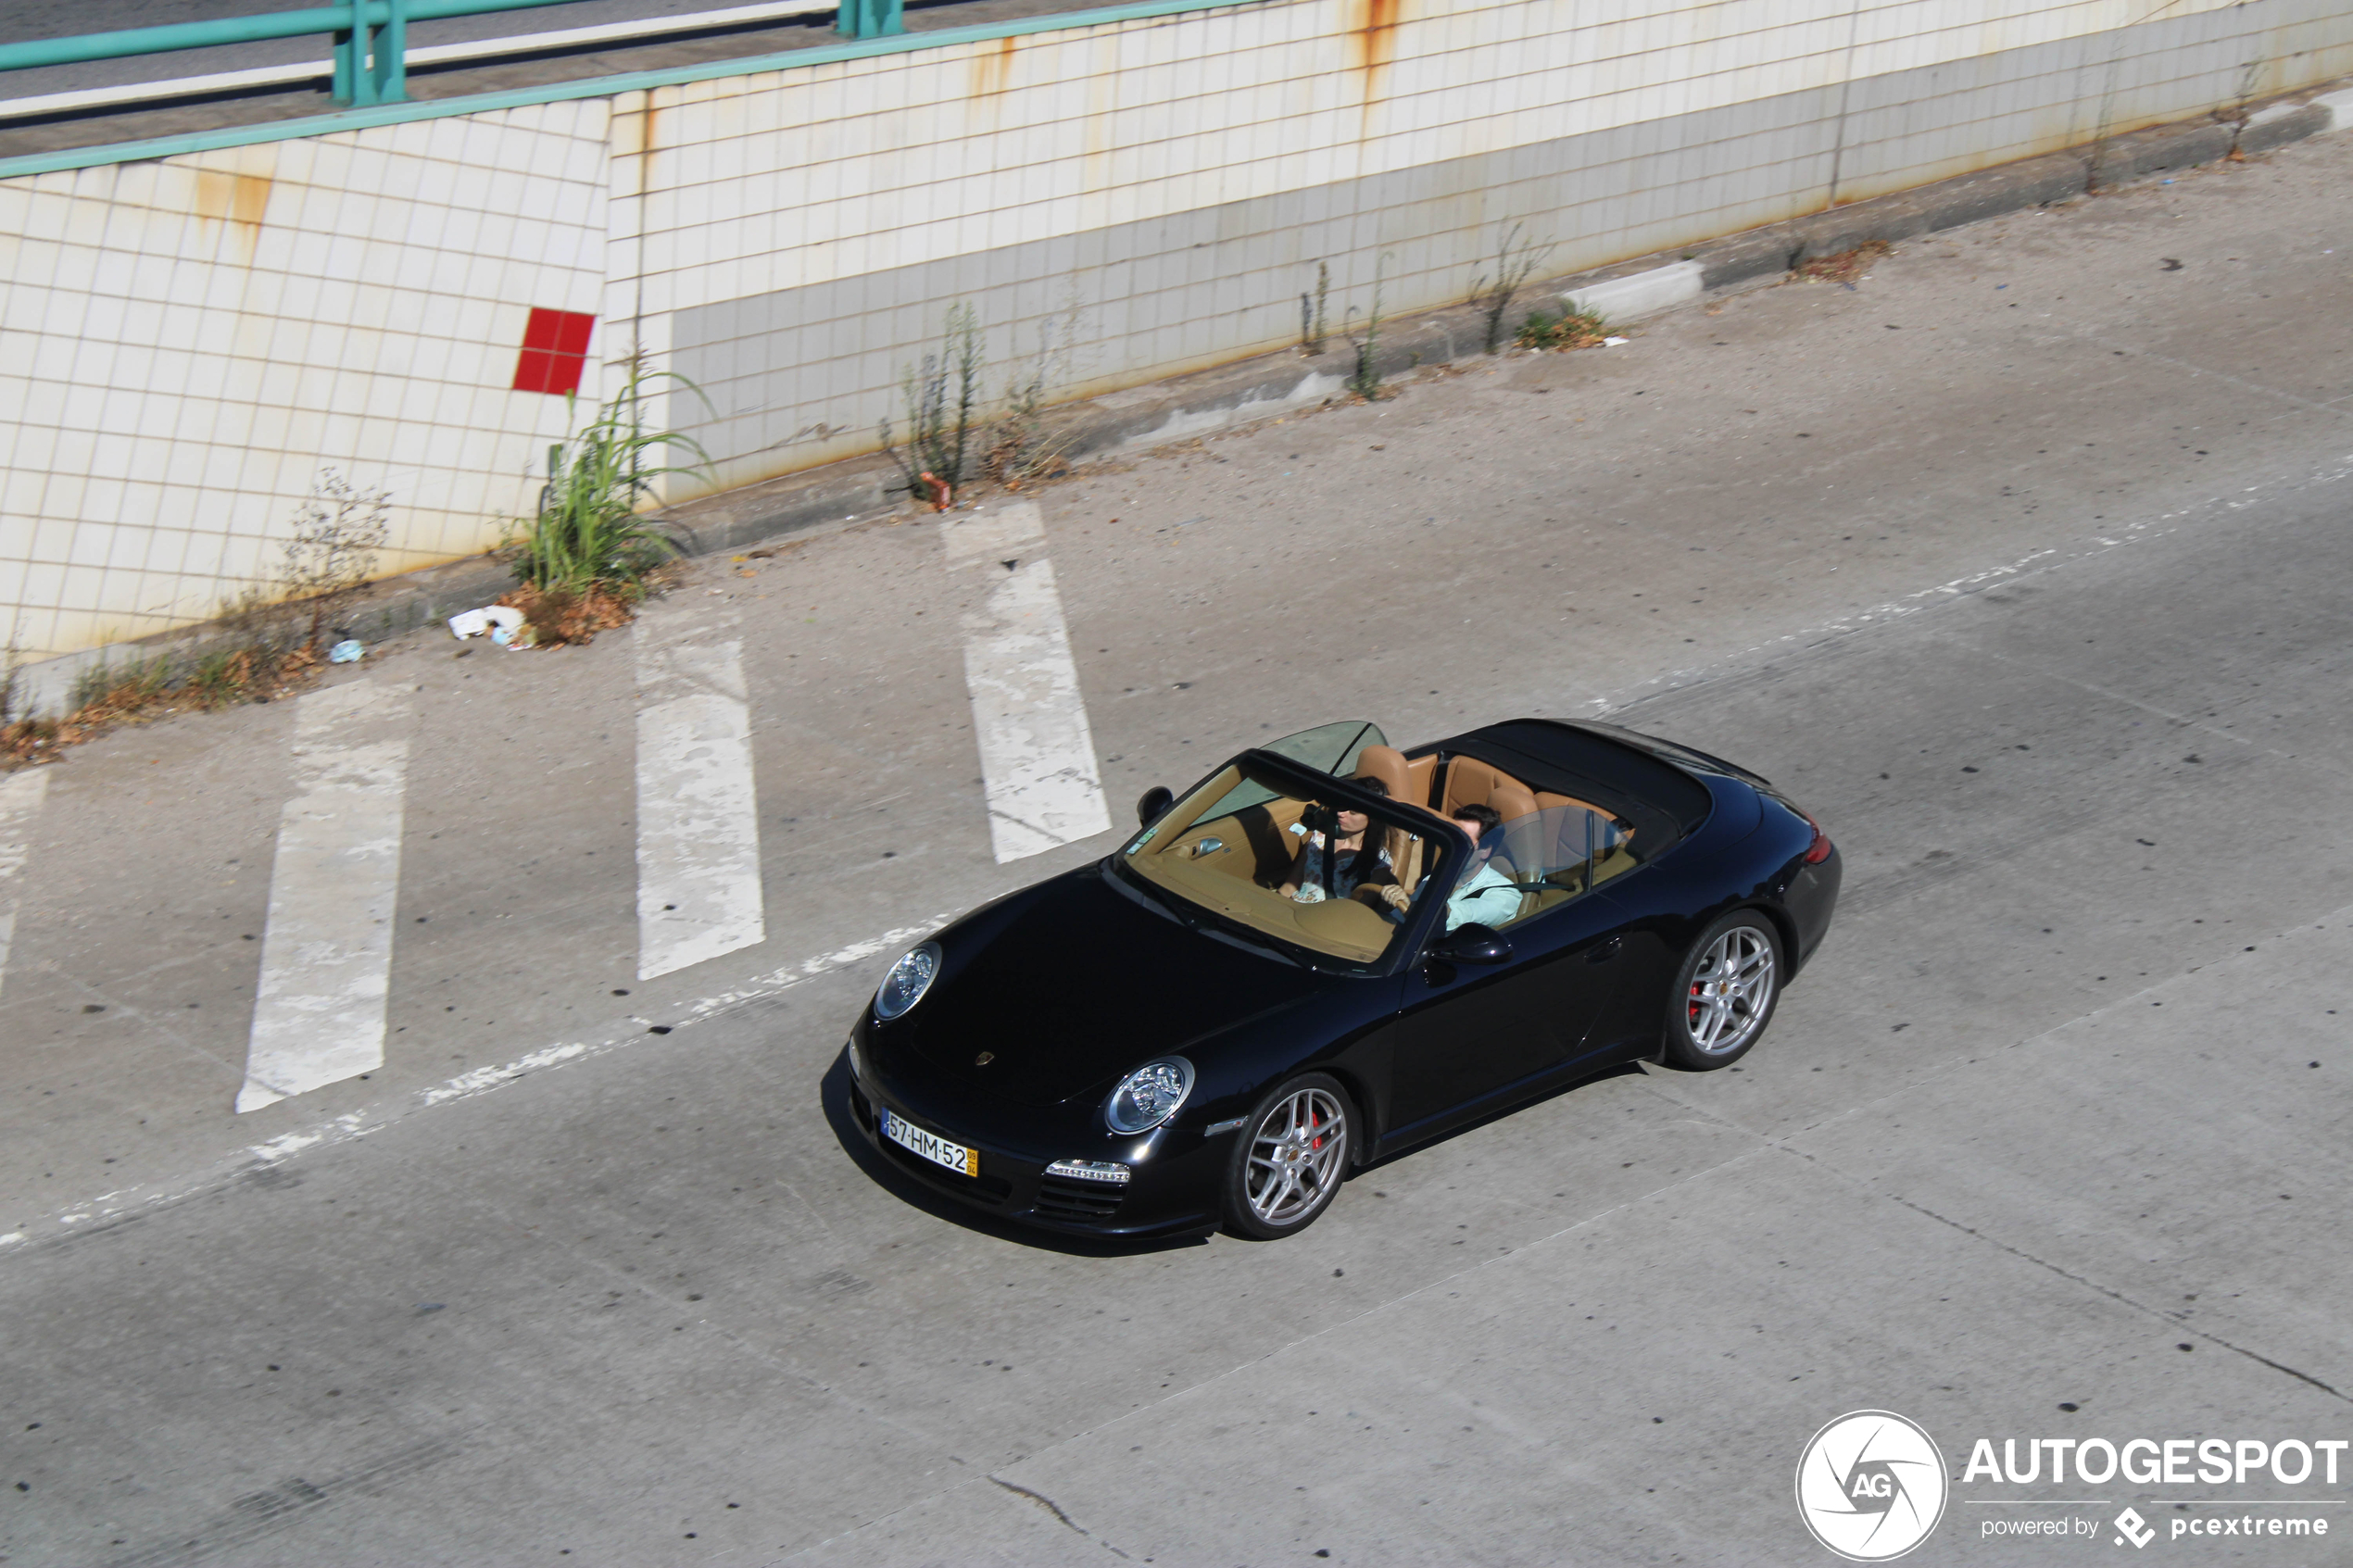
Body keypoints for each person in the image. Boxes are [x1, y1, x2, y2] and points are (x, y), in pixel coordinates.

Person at [1278, 778, 1400, 906]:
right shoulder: (1319, 838)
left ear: (1373, 818)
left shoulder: (1379, 862)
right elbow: (1289, 887)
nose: (1342, 813)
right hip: (1293, 910)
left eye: (1353, 811)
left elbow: (1360, 910)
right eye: (1342, 806)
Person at [1438, 803, 1521, 931]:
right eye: (1452, 837)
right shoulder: (1436, 877)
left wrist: (1424, 907)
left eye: (1463, 841)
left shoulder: (1505, 893)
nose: (1453, 846)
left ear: (1485, 851)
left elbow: (1468, 913)